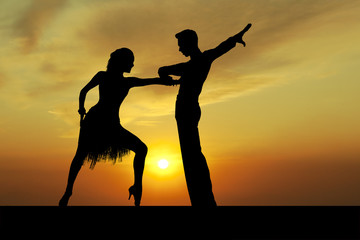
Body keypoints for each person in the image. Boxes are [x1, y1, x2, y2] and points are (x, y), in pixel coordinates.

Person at [59, 48, 177, 206]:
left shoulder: (127, 81)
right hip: (94, 122)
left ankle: (137, 186)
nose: (133, 64)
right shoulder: (105, 76)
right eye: (131, 61)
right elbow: (83, 91)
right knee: (80, 155)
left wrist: (174, 82)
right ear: (122, 62)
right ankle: (68, 191)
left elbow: (152, 80)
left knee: (141, 149)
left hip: (112, 124)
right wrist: (81, 108)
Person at [158, 24, 252, 206]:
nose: (179, 48)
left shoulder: (196, 63)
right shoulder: (198, 61)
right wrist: (234, 39)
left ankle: (203, 200)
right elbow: (221, 48)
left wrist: (234, 38)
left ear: (189, 43)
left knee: (192, 157)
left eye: (180, 44)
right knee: (193, 155)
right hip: (189, 110)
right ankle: (203, 199)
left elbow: (164, 69)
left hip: (187, 110)